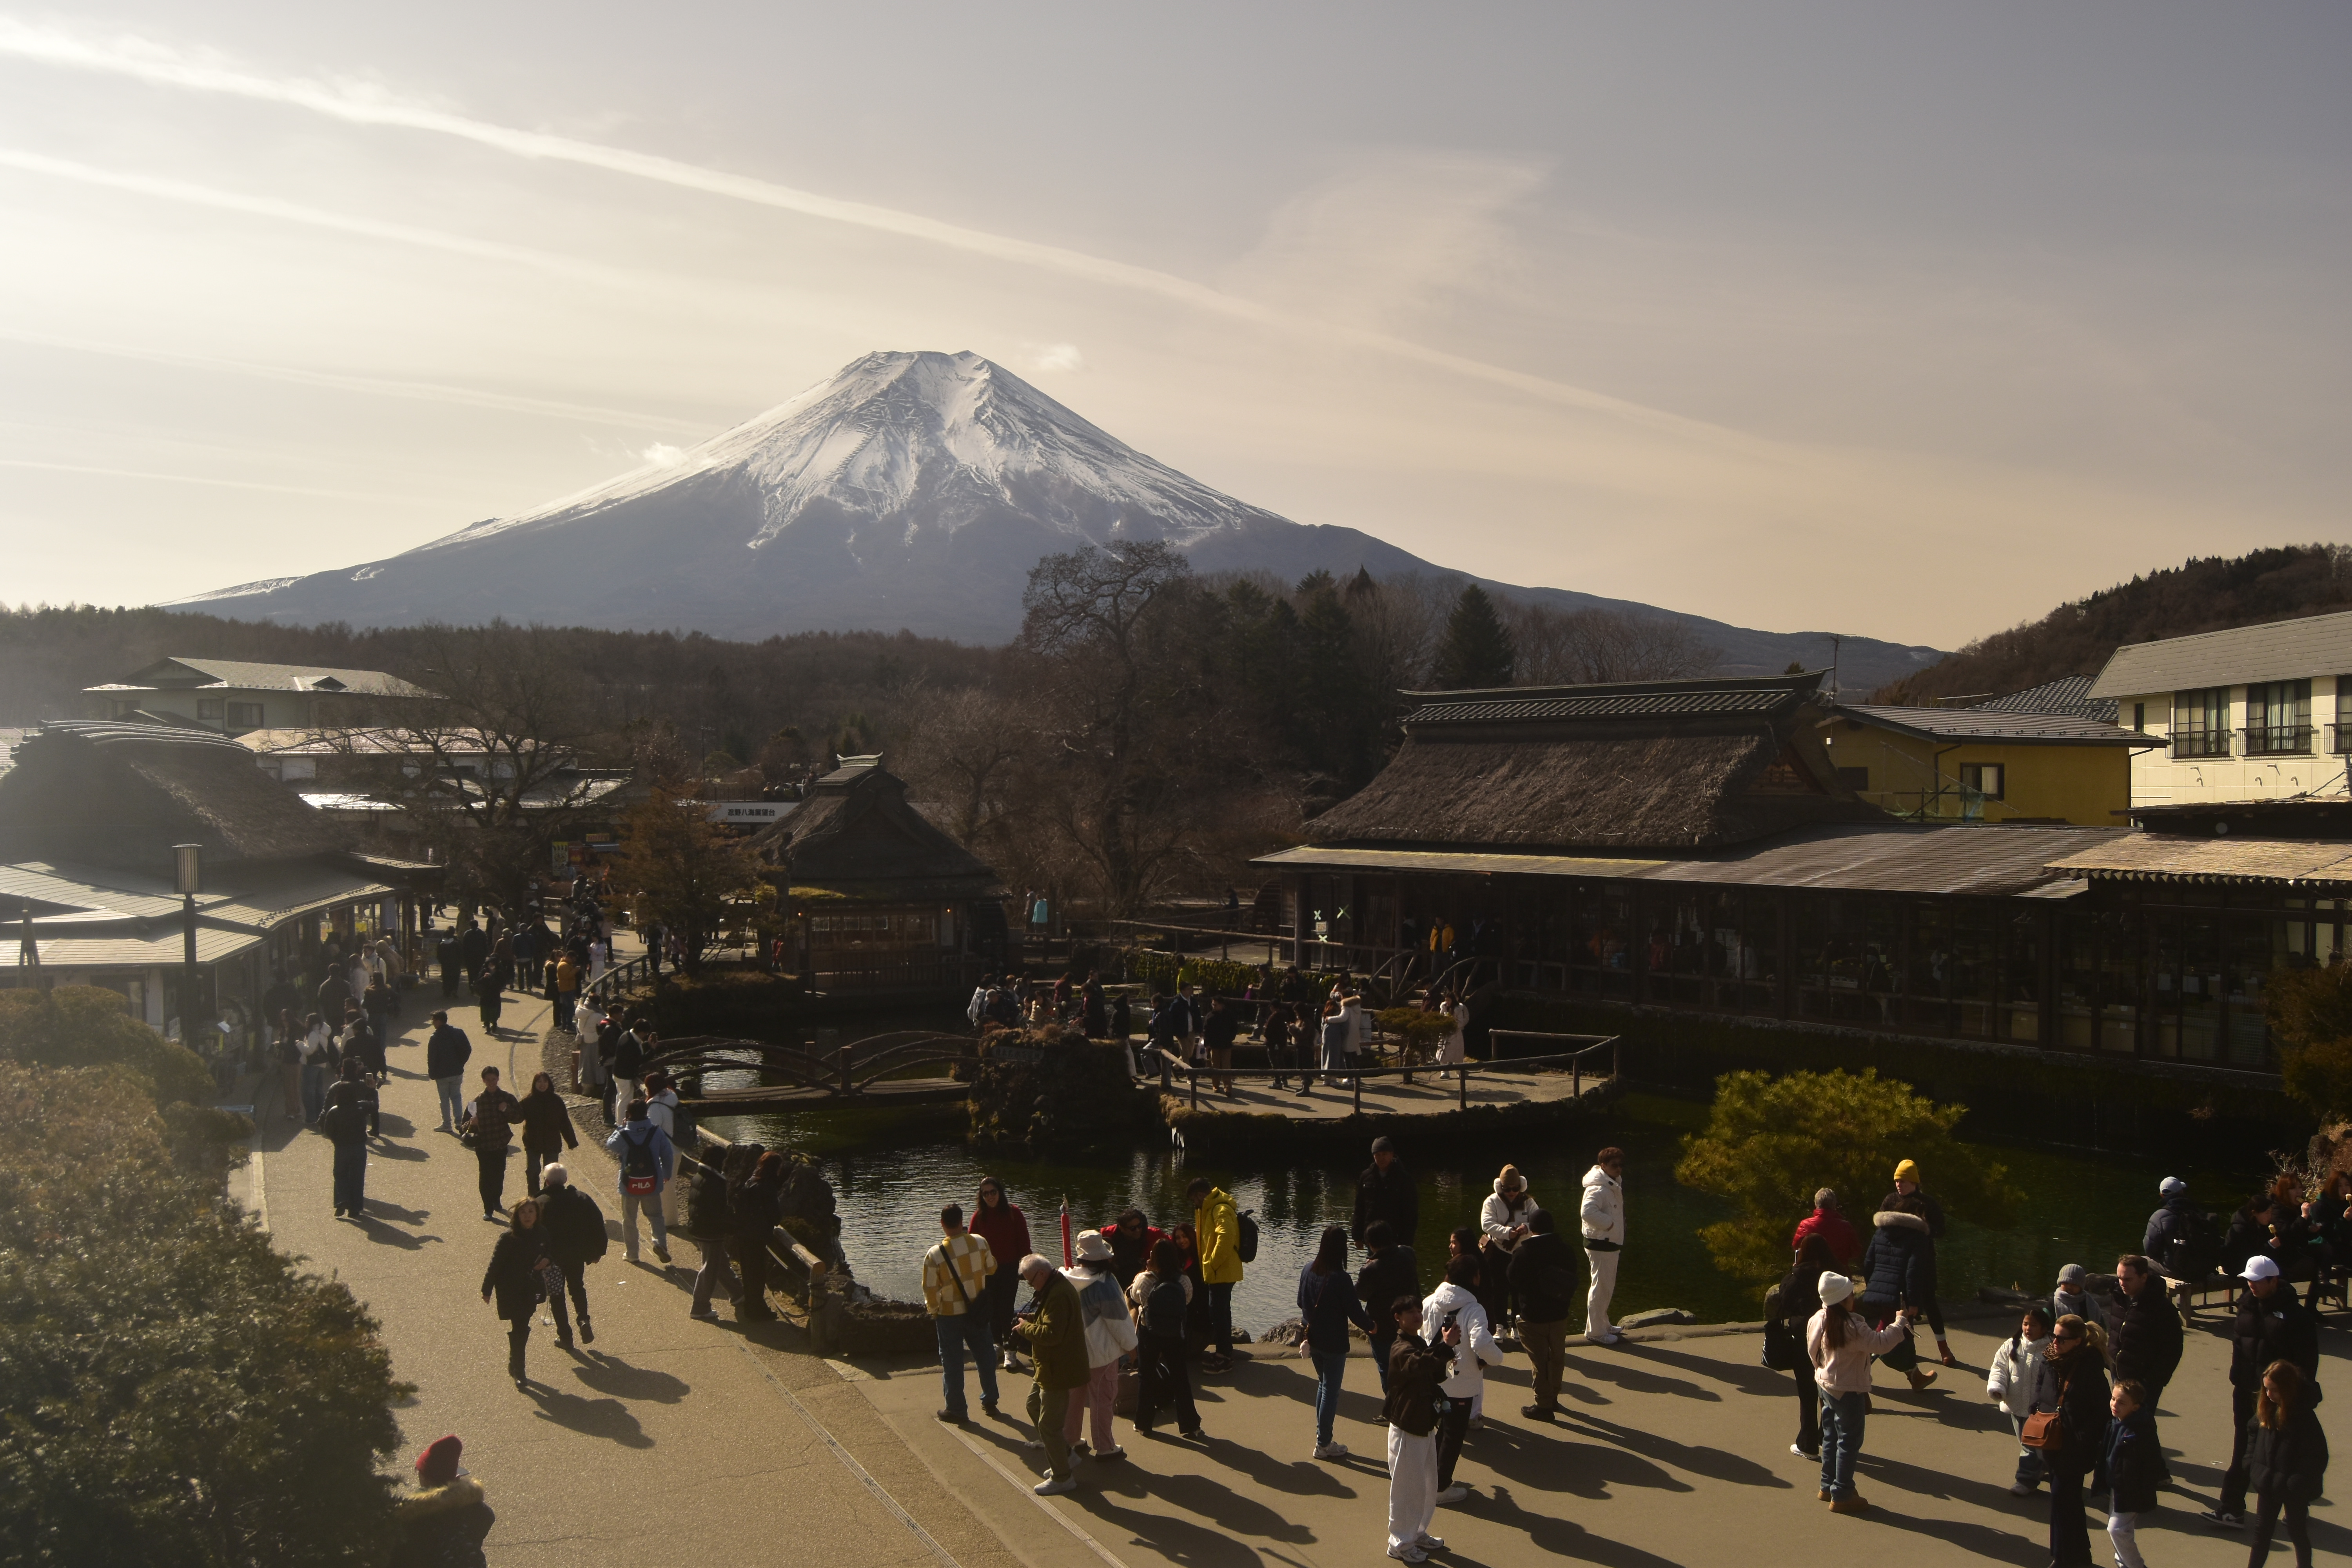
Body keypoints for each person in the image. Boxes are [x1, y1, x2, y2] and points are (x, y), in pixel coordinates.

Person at [2210, 1254, 2321, 1528]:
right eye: (2249, 1281)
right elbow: (2239, 1346)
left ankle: (2296, 1503)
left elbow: (2306, 1362)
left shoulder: (2296, 1317)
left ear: (2274, 1281)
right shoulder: (2246, 1308)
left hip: (2279, 1398)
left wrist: (2294, 1396)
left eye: (2258, 1281)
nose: (2252, 1286)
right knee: (2243, 1450)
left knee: (2284, 1455)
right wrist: (2238, 1376)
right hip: (2246, 1392)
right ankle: (2232, 1508)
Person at [1807, 1271, 1915, 1515]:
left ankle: (1828, 1486)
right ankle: (1843, 1493)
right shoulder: (1853, 1325)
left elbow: (1811, 1350)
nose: (1854, 1298)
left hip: (1825, 1385)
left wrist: (1820, 1371)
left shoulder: (1818, 1319)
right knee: (1849, 1441)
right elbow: (1881, 1344)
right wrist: (1900, 1322)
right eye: (1851, 1295)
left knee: (1830, 1437)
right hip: (1849, 1390)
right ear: (1844, 1299)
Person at [1421, 1252, 1504, 1505]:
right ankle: (1440, 1487)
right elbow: (1481, 1342)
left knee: (1435, 1431)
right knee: (1452, 1435)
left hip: (1434, 1378)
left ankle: (1426, 1479)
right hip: (1461, 1384)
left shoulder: (1431, 1301)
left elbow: (1422, 1333)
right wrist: (1496, 1358)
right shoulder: (1473, 1308)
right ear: (1474, 1277)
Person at [1382, 1296, 1456, 1564]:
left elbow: (1430, 1371)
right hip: (1407, 1426)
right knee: (1406, 1488)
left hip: (1423, 1423)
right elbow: (1417, 1364)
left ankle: (1417, 1533)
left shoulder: (1419, 1343)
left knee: (1427, 1484)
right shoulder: (1401, 1347)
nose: (1417, 1315)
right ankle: (1399, 1543)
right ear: (1398, 1318)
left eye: (1418, 1310)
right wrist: (1445, 1347)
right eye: (1409, 1312)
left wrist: (1445, 1352)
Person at [1011, 1254, 1089, 1496]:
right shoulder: (1055, 1287)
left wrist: (1025, 1328)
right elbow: (1052, 1322)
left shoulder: (1057, 1295)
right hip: (1049, 1366)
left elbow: (1052, 1334)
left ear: (1041, 1275)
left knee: (1049, 1426)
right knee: (1034, 1406)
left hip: (1058, 1368)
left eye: (1030, 1281)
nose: (1030, 1286)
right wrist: (1031, 1320)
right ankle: (1066, 1456)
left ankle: (1063, 1477)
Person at [2039, 1312, 2112, 1568]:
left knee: (2063, 1500)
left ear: (2078, 1341)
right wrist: (2035, 1414)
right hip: (2051, 1441)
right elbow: (2041, 1391)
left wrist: (2083, 1439)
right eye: (2054, 1336)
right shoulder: (2050, 1360)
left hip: (2075, 1448)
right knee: (2064, 1503)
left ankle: (2067, 1558)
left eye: (2061, 1339)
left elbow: (2103, 1412)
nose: (2055, 1342)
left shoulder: (2090, 1369)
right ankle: (2073, 1556)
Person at [1298, 1225, 1375, 1459]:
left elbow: (1301, 1302)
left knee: (1323, 1386)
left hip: (1313, 1338)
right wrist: (1373, 1327)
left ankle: (1323, 1438)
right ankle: (1323, 1443)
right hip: (1334, 1342)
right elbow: (1355, 1313)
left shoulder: (1307, 1269)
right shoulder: (1341, 1278)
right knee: (1331, 1391)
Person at [2243, 1359, 2328, 1567]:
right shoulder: (2268, 1408)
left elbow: (2317, 1456)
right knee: (2261, 1535)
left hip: (2292, 1489)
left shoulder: (2304, 1418)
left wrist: (2296, 1484)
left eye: (2274, 1390)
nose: (2269, 1395)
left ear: (2287, 1388)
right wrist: (2251, 1463)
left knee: (2297, 1533)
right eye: (2267, 1390)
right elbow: (2253, 1430)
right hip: (2268, 1482)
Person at [924, 1201, 1001, 1422]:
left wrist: (934, 1310)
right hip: (977, 1310)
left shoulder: (935, 1255)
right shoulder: (979, 1242)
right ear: (962, 1221)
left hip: (949, 1314)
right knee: (985, 1355)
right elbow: (992, 1268)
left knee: (952, 1361)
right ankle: (990, 1399)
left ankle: (957, 1408)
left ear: (942, 1224)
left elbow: (930, 1289)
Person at [1063, 1232, 1136, 1461]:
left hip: (1075, 1352)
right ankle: (1104, 1446)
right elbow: (1119, 1322)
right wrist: (1132, 1347)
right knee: (1102, 1401)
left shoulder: (1067, 1278)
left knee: (1074, 1399)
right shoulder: (1105, 1283)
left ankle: (1070, 1439)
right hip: (1102, 1354)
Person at [1858, 1194, 1938, 1392]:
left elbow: (1868, 1263)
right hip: (1902, 1296)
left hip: (1883, 1290)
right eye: (1923, 1215)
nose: (1926, 1219)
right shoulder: (1918, 1236)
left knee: (1899, 1332)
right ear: (1915, 1214)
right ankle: (1856, 1373)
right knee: (1888, 1335)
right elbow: (1914, 1271)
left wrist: (1875, 1286)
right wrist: (1913, 1301)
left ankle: (1915, 1376)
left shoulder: (1882, 1231)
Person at [1506, 1208, 1578, 1422]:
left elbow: (1511, 1278)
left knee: (1539, 1360)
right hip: (1559, 1313)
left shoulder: (1524, 1252)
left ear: (1532, 1228)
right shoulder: (1566, 1250)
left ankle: (1543, 1405)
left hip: (1533, 1315)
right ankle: (1554, 1396)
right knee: (1557, 1357)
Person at [1884, 1158, 1957, 1366]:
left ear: (1914, 1183)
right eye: (1897, 1181)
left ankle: (1944, 1347)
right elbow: (1881, 1228)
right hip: (1899, 1260)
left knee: (1930, 1303)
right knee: (1903, 1305)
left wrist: (1926, 1227)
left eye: (1904, 1181)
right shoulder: (1890, 1200)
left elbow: (1941, 1231)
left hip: (1924, 1260)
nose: (1899, 1185)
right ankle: (1909, 1350)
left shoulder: (1928, 1203)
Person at [1128, 1236, 1201, 1439]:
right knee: (1181, 1377)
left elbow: (1135, 1297)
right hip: (1176, 1333)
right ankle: (1191, 1425)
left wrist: (1143, 1272)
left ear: (1154, 1258)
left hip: (1149, 1332)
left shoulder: (1145, 1280)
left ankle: (1143, 1423)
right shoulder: (1184, 1280)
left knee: (1147, 1375)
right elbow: (1187, 1300)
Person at [1777, 1235, 1839, 1458]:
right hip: (1833, 1336)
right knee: (1829, 1389)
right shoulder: (1835, 1274)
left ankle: (1808, 1442)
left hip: (1803, 1338)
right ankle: (1827, 1435)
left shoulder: (1797, 1276)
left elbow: (1784, 1301)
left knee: (1807, 1392)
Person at [480, 1198, 550, 1390]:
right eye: (523, 1213)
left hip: (531, 1288)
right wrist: (487, 1290)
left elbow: (551, 1252)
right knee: (520, 1325)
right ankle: (519, 1370)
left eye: (531, 1212)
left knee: (522, 1325)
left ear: (537, 1215)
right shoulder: (508, 1239)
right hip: (511, 1290)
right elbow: (495, 1265)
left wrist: (548, 1261)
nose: (527, 1216)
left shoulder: (542, 1234)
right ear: (517, 1216)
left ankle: (515, 1363)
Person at [1987, 1303, 2055, 1496]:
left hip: (2040, 1409)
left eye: (2033, 1325)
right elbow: (1999, 1368)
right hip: (2016, 1405)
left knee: (2030, 1446)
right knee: (2028, 1443)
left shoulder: (2051, 1348)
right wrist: (1998, 1388)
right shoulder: (2012, 1345)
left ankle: (2025, 1480)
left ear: (2044, 1328)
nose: (2028, 1329)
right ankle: (2040, 1467)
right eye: (2026, 1324)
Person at [536, 1163, 603, 1348]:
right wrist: (597, 1252)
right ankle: (583, 1319)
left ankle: (565, 1336)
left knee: (557, 1295)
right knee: (577, 1287)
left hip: (552, 1260)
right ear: (566, 1180)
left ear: (547, 1181)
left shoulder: (540, 1203)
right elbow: (598, 1224)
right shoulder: (581, 1199)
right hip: (576, 1255)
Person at [603, 1098, 675, 1265]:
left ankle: (633, 1253)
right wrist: (666, 1174)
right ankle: (660, 1244)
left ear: (628, 1115)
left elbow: (611, 1145)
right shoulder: (656, 1133)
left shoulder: (624, 1133)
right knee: (656, 1216)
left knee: (629, 1219)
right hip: (652, 1182)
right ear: (646, 1113)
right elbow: (667, 1155)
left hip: (630, 1184)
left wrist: (621, 1127)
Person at [2107, 1252, 2184, 1408]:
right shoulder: (2118, 1299)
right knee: (2118, 1423)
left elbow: (2173, 1349)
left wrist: (2153, 1381)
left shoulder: (2162, 1309)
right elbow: (2115, 1332)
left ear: (2144, 1278)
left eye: (2128, 1279)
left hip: (2144, 1384)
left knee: (2141, 1425)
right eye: (2120, 1278)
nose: (2122, 1283)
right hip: (2118, 1374)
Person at [971, 1177, 1033, 1372]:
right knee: (991, 1310)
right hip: (987, 1271)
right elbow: (972, 1246)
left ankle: (1011, 1350)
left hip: (1009, 1269)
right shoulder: (979, 1217)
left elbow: (1024, 1241)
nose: (990, 1196)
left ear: (1000, 1193)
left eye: (993, 1192)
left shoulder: (1014, 1213)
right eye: (986, 1193)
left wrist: (1026, 1268)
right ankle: (997, 1344)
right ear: (981, 1196)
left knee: (1006, 1309)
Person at [1357, 1219, 1421, 1396]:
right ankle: (1410, 1401)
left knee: (1387, 1366)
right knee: (1410, 1362)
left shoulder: (1371, 1268)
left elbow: (1362, 1294)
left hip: (1382, 1325)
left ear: (1370, 1243)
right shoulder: (1408, 1253)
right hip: (1408, 1319)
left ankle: (1393, 1408)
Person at [1188, 1176, 1245, 1373]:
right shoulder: (1214, 1208)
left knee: (1219, 1313)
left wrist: (1212, 1263)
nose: (1194, 1205)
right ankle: (1224, 1351)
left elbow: (1226, 1237)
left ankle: (1224, 1358)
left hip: (1222, 1271)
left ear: (1201, 1195)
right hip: (1222, 1271)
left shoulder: (1219, 1209)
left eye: (1194, 1200)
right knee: (1219, 1311)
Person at [2105, 1378, 2161, 1568]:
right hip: (2118, 1485)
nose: (2115, 1405)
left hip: (2132, 1489)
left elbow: (2151, 1463)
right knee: (2122, 1529)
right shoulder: (2117, 1421)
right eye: (2113, 1399)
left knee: (2117, 1529)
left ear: (2135, 1407)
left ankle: (2136, 1566)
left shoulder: (2140, 1431)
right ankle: (2123, 1562)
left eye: (2122, 1403)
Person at [1478, 1164, 1536, 1339]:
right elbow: (1487, 1224)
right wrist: (1507, 1232)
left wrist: (1526, 1228)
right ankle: (1500, 1326)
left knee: (1519, 1289)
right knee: (1499, 1290)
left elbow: (1537, 1220)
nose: (1512, 1192)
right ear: (1500, 1187)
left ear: (1521, 1186)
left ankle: (1518, 1326)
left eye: (1515, 1188)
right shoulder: (1492, 1201)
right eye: (1507, 1189)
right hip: (1499, 1251)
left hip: (1521, 1252)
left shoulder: (1528, 1202)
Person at [318, 1056, 380, 1218]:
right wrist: (373, 1090)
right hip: (359, 1146)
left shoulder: (335, 1109)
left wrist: (335, 1139)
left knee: (340, 1174)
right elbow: (375, 1107)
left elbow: (328, 1127)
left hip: (342, 1146)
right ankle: (355, 1209)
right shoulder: (361, 1105)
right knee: (358, 1177)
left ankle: (341, 1202)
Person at [730, 1150, 784, 1322]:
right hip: (757, 1236)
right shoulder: (768, 1187)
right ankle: (757, 1311)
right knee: (758, 1275)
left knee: (748, 1273)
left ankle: (751, 1307)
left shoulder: (750, 1182)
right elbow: (775, 1216)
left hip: (744, 1234)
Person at [461, 1066, 521, 1221]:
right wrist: (473, 1123)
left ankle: (497, 1201)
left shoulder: (507, 1098)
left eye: (494, 1079)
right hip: (484, 1147)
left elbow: (519, 1118)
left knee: (499, 1176)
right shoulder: (477, 1101)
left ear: (498, 1079)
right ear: (484, 1081)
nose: (491, 1082)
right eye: (488, 1080)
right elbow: (463, 1127)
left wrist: (506, 1110)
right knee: (485, 1178)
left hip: (500, 1145)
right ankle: (488, 1208)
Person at [1579, 1146, 1626, 1346]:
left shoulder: (1612, 1183)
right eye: (1614, 1165)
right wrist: (1610, 1224)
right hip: (1601, 1243)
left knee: (1607, 1286)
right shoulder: (1598, 1188)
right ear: (1603, 1166)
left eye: (1621, 1165)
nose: (1619, 1169)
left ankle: (1603, 1324)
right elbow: (1587, 1213)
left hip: (1610, 1242)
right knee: (1600, 1287)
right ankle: (1595, 1331)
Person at [517, 1071, 579, 1200]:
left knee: (551, 1175)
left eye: (545, 1082)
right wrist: (506, 1110)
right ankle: (533, 1198)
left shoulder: (556, 1101)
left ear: (549, 1084)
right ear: (535, 1084)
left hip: (552, 1144)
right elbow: (517, 1117)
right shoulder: (527, 1101)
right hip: (532, 1143)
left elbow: (564, 1123)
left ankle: (548, 1197)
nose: (542, 1084)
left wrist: (571, 1142)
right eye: (539, 1082)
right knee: (533, 1171)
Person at [1353, 1136, 1421, 1253]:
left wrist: (1406, 1242)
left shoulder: (1404, 1178)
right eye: (1378, 1155)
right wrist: (1357, 1236)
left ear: (1392, 1154)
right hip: (1372, 1235)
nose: (1381, 1158)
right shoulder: (1366, 1177)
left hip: (1395, 1237)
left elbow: (1411, 1213)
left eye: (1384, 1154)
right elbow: (1360, 1207)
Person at [2144, 1176, 2207, 1280]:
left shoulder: (2159, 1216)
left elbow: (2149, 1250)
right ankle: (2183, 1296)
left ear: (2161, 1195)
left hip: (2176, 1270)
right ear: (2182, 1192)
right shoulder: (2199, 1213)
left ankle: (2154, 1296)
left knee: (2137, 1263)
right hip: (2203, 1270)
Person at [426, 1010, 471, 1133]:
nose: (432, 1023)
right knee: (456, 1097)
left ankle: (447, 1124)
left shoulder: (435, 1038)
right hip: (457, 1071)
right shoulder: (459, 1033)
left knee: (444, 1099)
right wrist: (461, 1063)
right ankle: (459, 1122)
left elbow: (432, 1058)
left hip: (442, 1074)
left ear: (439, 1021)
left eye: (434, 1020)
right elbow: (468, 1049)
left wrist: (432, 1072)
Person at [1792, 1188, 1860, 1269]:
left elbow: (1796, 1246)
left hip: (1812, 1274)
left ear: (1816, 1204)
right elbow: (1856, 1252)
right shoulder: (1846, 1226)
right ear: (1834, 1205)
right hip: (1838, 1274)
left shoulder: (1805, 1225)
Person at [1095, 1208, 1162, 1290]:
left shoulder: (1153, 1235)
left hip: (1140, 1281)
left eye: (1140, 1226)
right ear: (1122, 1228)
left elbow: (1174, 1243)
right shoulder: (1108, 1235)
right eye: (1133, 1228)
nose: (1138, 1230)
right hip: (1114, 1279)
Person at [298, 1011, 334, 1126]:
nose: (305, 1022)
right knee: (319, 1091)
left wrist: (299, 1044)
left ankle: (311, 1117)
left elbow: (310, 1051)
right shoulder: (323, 1032)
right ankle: (321, 1114)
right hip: (321, 1064)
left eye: (307, 1020)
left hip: (311, 1065)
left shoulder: (314, 1034)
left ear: (311, 1022)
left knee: (308, 1092)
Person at [1201, 995, 1240, 1097]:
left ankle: (1228, 1087)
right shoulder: (1210, 1016)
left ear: (1222, 1005)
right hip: (1215, 1045)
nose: (1214, 1006)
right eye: (1213, 1004)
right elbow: (1206, 1031)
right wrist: (1207, 1044)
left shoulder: (1229, 1015)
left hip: (1226, 1044)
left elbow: (1235, 1027)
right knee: (1215, 1065)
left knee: (1226, 1066)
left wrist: (1231, 1038)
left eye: (1216, 1005)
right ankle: (1216, 1085)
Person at [2053, 1262, 2098, 1328]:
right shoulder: (2053, 1304)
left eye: (2074, 1284)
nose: (2069, 1287)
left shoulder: (2091, 1305)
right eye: (2066, 1283)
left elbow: (2101, 1329)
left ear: (2081, 1287)